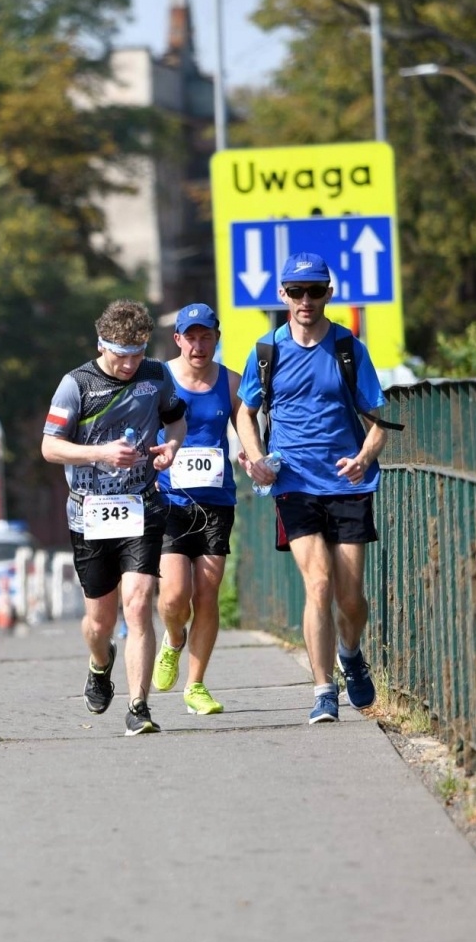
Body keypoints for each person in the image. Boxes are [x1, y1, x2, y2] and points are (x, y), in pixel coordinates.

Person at [233, 253, 390, 725]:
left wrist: (364, 457)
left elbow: (378, 421)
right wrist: (257, 457)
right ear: (282, 294)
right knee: (318, 583)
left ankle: (350, 651)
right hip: (294, 484)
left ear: (328, 293)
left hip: (345, 483)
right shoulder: (266, 351)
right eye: (296, 291)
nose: (305, 300)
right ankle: (324, 690)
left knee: (350, 596)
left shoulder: (348, 348)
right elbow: (244, 413)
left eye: (314, 291)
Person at [42, 299, 188, 735]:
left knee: (139, 602)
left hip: (141, 504)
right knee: (100, 622)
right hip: (89, 512)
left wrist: (172, 447)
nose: (129, 364)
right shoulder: (76, 384)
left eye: (137, 354)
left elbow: (176, 420)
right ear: (101, 345)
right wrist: (100, 452)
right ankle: (99, 664)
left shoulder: (156, 375)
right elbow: (50, 447)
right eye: (120, 355)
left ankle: (139, 707)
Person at [151, 303, 247, 716]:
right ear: (178, 340)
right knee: (175, 597)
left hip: (216, 500)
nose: (198, 344)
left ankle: (196, 685)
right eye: (190, 336)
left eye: (205, 335)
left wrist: (252, 456)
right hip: (171, 500)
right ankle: (173, 640)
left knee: (207, 594)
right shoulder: (159, 380)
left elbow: (246, 428)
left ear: (216, 338)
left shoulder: (231, 383)